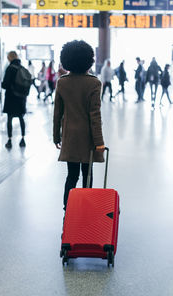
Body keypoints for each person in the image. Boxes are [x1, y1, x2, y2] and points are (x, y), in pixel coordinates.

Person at [53, 40, 105, 212]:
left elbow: (57, 113)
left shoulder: (62, 82)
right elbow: (95, 116)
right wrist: (99, 142)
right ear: (88, 61)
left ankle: (68, 209)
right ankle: (85, 209)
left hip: (70, 137)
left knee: (72, 175)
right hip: (88, 138)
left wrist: (56, 136)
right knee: (87, 175)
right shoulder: (94, 83)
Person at [2, 51, 26, 149]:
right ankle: (23, 139)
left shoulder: (10, 68)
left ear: (9, 58)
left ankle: (9, 140)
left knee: (10, 119)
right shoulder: (22, 68)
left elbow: (5, 85)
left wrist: (3, 84)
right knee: (21, 118)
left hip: (11, 98)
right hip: (21, 98)